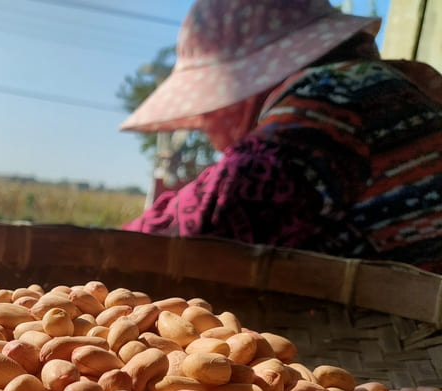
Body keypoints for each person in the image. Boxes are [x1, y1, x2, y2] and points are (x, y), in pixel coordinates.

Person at [121, 0, 442, 273]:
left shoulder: (332, 99)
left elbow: (213, 221)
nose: (204, 121)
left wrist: (107, 251)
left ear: (250, 83)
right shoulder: (376, 90)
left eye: (210, 103)